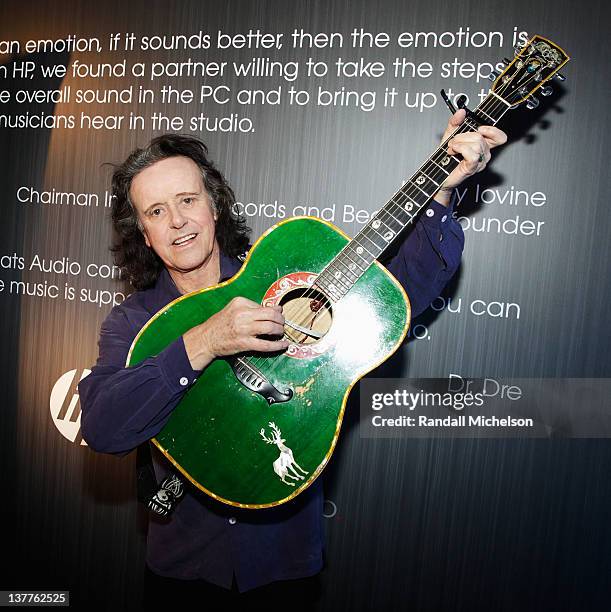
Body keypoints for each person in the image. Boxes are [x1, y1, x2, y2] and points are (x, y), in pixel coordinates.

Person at [79, 110, 506, 605]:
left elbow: (396, 296)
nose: (177, 221)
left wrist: (440, 190)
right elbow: (105, 426)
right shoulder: (134, 325)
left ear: (214, 206)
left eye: (188, 200)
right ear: (144, 234)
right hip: (183, 569)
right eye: (156, 212)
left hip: (283, 564)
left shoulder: (283, 276)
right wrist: (202, 342)